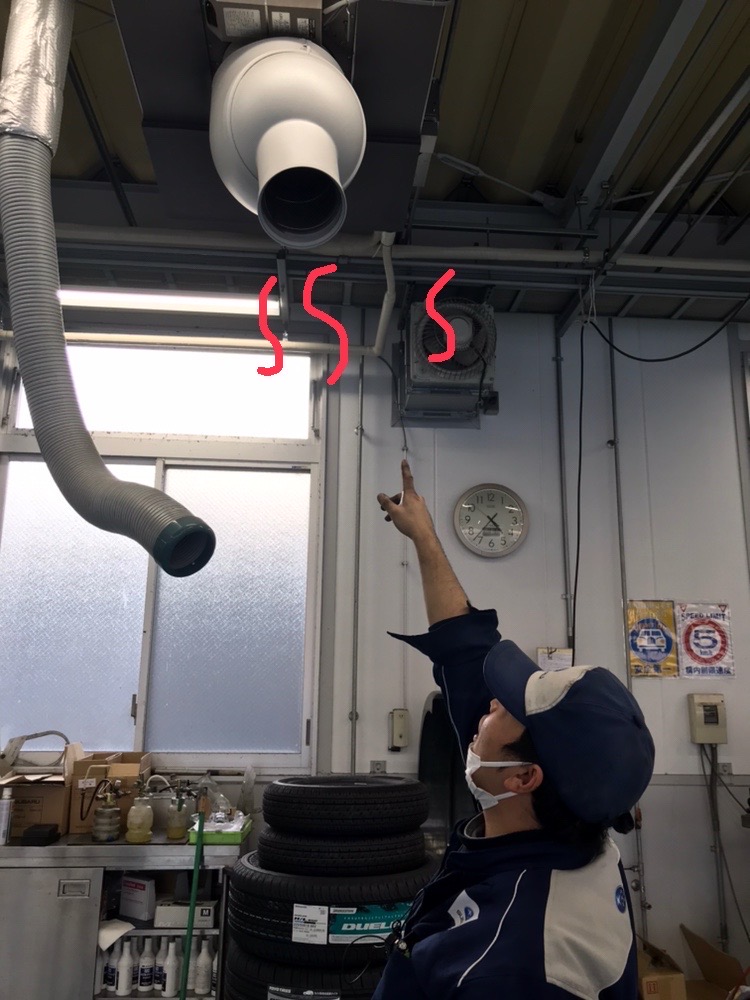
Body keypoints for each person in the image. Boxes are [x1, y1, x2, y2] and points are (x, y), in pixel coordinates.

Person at [371, 460, 655, 1000]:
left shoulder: (517, 965)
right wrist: (424, 536)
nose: (492, 702)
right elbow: (465, 648)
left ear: (522, 778)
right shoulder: (576, 832)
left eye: (505, 710)